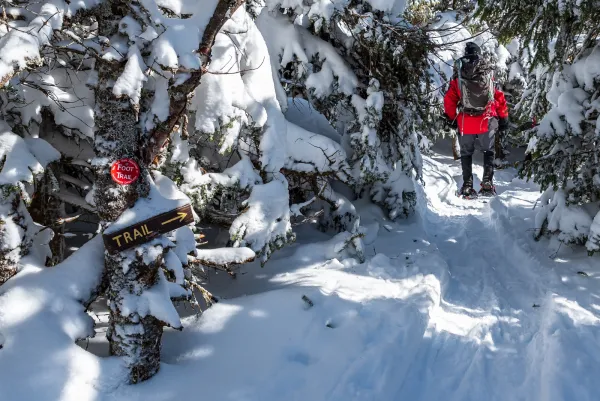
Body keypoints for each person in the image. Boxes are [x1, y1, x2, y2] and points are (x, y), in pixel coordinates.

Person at [443, 42, 509, 198]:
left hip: (466, 121)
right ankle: (487, 184)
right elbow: (498, 97)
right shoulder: (487, 73)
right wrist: (504, 117)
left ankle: (467, 186)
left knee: (466, 153)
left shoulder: (459, 75)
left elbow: (449, 100)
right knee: (489, 151)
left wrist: (452, 118)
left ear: (465, 54)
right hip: (486, 120)